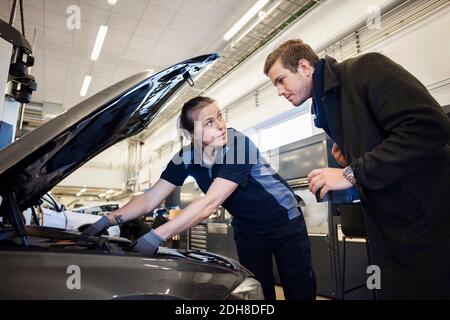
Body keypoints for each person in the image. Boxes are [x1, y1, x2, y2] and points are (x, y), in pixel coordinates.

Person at [264, 39, 450, 299]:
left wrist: (351, 173)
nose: (279, 91)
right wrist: (351, 158)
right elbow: (387, 146)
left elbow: (429, 127)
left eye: (280, 80)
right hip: (389, 224)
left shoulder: (365, 68)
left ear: (304, 66)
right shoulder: (326, 105)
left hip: (430, 219)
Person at [82, 96, 316, 300]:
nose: (221, 126)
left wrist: (156, 236)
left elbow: (210, 203)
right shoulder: (184, 157)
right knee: (258, 289)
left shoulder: (238, 144)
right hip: (247, 226)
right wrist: (109, 219)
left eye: (220, 117)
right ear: (191, 134)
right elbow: (151, 198)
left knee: (297, 285)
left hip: (283, 218)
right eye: (209, 123)